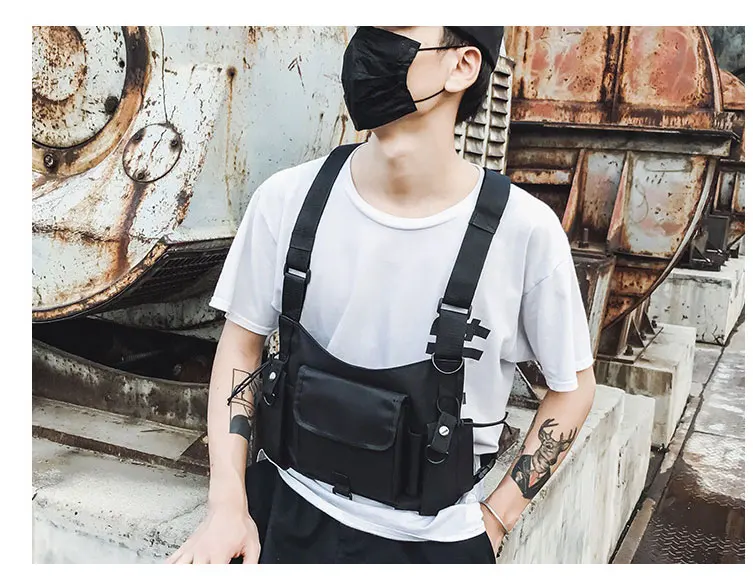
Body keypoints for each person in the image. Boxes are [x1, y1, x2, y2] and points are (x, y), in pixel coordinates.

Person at [166, 25, 596, 565]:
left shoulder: (524, 233)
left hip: (433, 548)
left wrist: (495, 520)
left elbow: (572, 388)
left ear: (462, 65)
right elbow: (241, 344)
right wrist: (228, 503)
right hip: (283, 515)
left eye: (395, 25)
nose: (367, 45)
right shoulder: (286, 200)